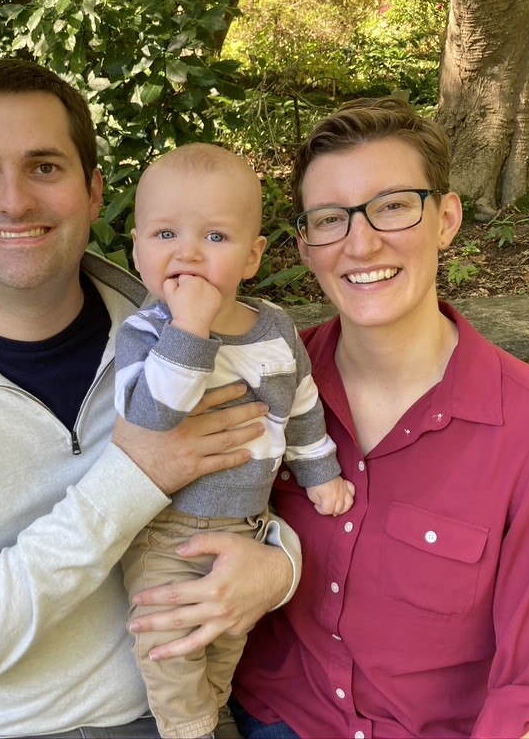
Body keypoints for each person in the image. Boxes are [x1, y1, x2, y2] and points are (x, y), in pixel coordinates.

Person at [0, 58, 299, 739]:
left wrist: (280, 565)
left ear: (95, 192)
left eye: (44, 167)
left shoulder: (194, 328)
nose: (14, 201)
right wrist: (138, 473)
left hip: (162, 716)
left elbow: (271, 479)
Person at [231, 98, 529, 739]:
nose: (361, 242)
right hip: (272, 718)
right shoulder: (263, 382)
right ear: (305, 246)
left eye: (393, 205)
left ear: (446, 219)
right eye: (329, 219)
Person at [115, 144, 354, 739]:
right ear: (139, 250)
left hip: (248, 525)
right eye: (165, 233)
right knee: (170, 648)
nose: (188, 253)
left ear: (251, 258)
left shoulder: (273, 329)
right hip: (167, 531)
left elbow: (301, 406)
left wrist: (321, 474)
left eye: (215, 238)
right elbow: (152, 416)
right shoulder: (144, 333)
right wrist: (190, 328)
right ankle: (188, 729)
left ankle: (210, 717)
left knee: (224, 644)